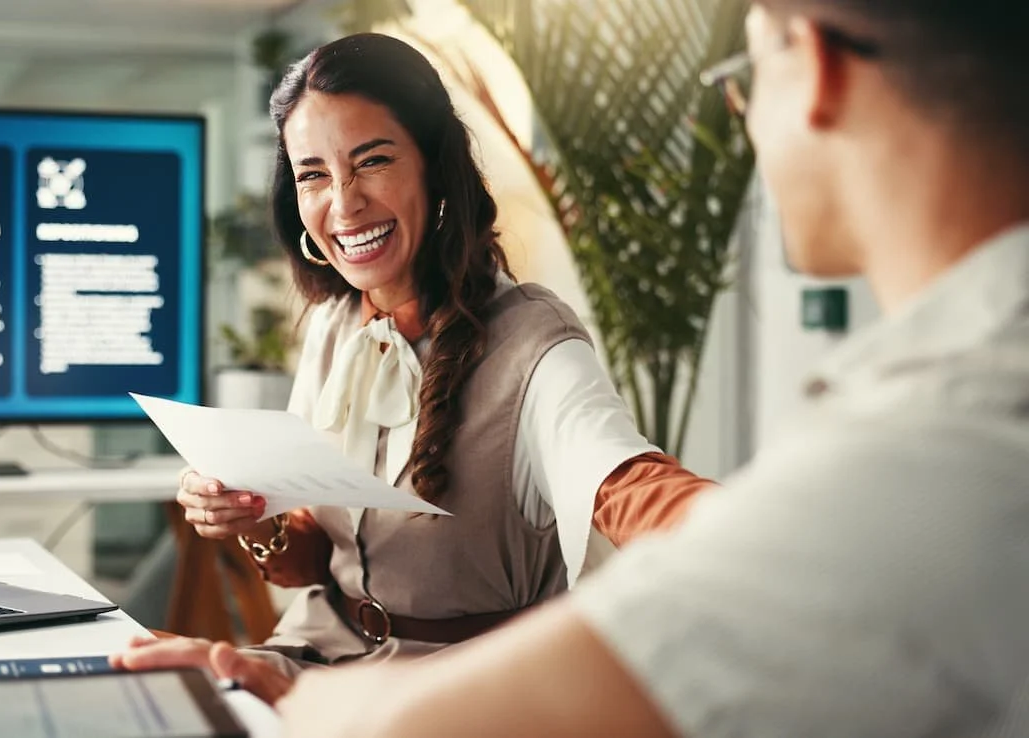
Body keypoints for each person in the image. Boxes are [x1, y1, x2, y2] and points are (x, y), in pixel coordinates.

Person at [270, 1, 1029, 736]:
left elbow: (635, 500)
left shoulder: (938, 438)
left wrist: (298, 702)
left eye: (747, 68)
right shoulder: (951, 402)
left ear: (817, 68)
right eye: (312, 175)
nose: (342, 201)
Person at [112, 33, 713, 702]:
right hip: (316, 657)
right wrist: (251, 517)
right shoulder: (335, 329)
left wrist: (765, 540)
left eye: (371, 162)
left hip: (456, 692)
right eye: (313, 173)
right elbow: (319, 555)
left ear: (435, 166)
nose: (343, 204)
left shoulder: (535, 341)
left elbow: (627, 484)